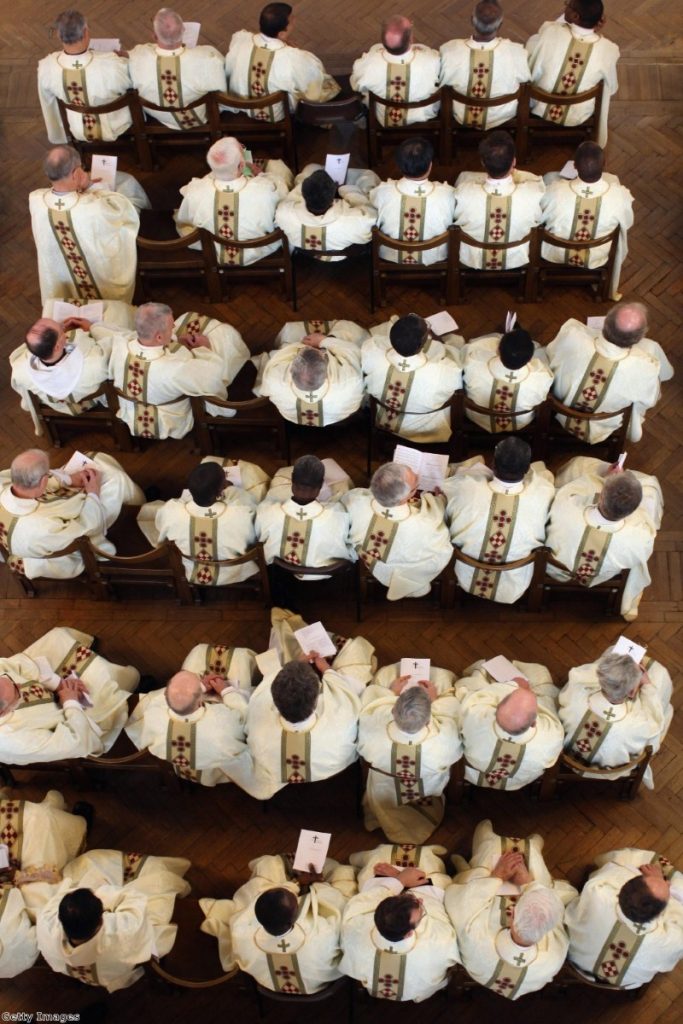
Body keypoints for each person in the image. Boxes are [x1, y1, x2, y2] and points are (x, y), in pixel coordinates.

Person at [226, 609, 375, 800]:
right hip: (332, 767)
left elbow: (268, 681)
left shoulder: (258, 716)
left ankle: (290, 636)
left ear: (275, 702)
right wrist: (325, 668)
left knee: (275, 656)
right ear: (316, 700)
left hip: (281, 769)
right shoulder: (341, 717)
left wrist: (295, 663)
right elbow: (345, 693)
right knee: (356, 653)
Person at [447, 820, 576, 999]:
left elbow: (460, 903)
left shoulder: (475, 938)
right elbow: (557, 916)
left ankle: (483, 846)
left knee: (490, 854)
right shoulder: (554, 957)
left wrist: (497, 876)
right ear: (550, 928)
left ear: (513, 913)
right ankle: (533, 848)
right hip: (523, 978)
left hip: (480, 969)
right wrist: (527, 882)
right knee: (539, 877)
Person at [36, 846, 191, 991]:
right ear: (101, 919)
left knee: (86, 865)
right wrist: (103, 894)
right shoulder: (121, 932)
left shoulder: (46, 922)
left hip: (98, 973)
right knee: (159, 880)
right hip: (118, 958)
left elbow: (63, 895)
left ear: (61, 919)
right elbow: (133, 900)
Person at [200, 852, 356, 992]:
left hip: (269, 984)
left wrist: (296, 883)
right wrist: (317, 885)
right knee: (342, 873)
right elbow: (337, 906)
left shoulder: (241, 931)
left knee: (267, 865)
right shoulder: (323, 934)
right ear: (296, 916)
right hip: (315, 985)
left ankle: (287, 862)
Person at [106, 302, 248, 439]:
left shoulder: (120, 345)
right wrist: (204, 348)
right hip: (168, 421)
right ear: (159, 337)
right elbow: (212, 377)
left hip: (131, 412)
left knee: (187, 319)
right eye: (170, 326)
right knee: (225, 336)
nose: (174, 326)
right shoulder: (176, 369)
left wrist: (176, 340)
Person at [0, 625, 139, 763]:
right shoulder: (11, 741)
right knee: (114, 679)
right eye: (16, 692)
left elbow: (16, 665)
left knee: (58, 637)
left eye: (11, 681)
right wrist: (70, 701)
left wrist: (58, 683)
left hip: (46, 685)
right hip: (69, 719)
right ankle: (126, 682)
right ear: (3, 712)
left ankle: (95, 659)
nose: (19, 685)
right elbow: (74, 742)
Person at [0, 448, 144, 579]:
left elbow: (33, 480)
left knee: (94, 459)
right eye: (47, 472)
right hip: (55, 557)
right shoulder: (43, 527)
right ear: (44, 480)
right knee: (117, 481)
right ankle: (142, 507)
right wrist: (93, 493)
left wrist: (68, 479)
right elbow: (86, 528)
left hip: (16, 543)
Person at [546, 459, 662, 620]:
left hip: (558, 569)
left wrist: (607, 479)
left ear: (600, 497)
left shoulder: (566, 508)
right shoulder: (640, 538)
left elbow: (567, 491)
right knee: (651, 487)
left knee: (578, 466)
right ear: (632, 511)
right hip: (603, 574)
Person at [357, 663, 461, 842]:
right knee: (445, 679)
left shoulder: (373, 726)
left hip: (383, 788)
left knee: (383, 675)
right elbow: (452, 715)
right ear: (429, 719)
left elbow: (369, 706)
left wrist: (389, 694)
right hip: (427, 788)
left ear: (392, 710)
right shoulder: (444, 740)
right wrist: (436, 700)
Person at [443, 438, 554, 603]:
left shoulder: (465, 487)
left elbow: (445, 489)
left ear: (493, 464)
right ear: (526, 469)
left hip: (465, 572)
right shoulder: (544, 493)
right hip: (514, 579)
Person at [126, 644, 257, 784]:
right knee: (239, 659)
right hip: (215, 769)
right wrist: (226, 691)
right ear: (201, 701)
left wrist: (199, 687)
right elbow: (243, 715)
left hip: (179, 765)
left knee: (198, 652)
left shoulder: (154, 713)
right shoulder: (221, 720)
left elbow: (158, 702)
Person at [546, 302, 674, 444]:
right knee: (652, 347)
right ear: (639, 338)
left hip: (560, 408)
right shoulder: (646, 369)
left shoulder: (572, 335)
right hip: (602, 424)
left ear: (605, 322)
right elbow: (650, 400)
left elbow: (550, 353)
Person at [340, 853, 459, 1000]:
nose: (421, 900)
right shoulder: (440, 938)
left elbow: (368, 898)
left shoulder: (356, 925)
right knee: (439, 879)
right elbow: (437, 905)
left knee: (371, 873)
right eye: (421, 910)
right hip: (417, 990)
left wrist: (400, 879)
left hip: (372, 985)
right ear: (409, 934)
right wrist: (403, 878)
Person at [29, 146, 139, 304]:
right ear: (76, 173)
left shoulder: (35, 200)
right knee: (130, 191)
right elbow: (123, 213)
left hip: (60, 278)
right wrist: (89, 185)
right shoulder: (93, 208)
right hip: (101, 281)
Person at [0, 790, 90, 978]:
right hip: (30, 916)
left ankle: (55, 808)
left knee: (34, 819)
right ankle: (73, 822)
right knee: (39, 818)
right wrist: (18, 876)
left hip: (15, 949)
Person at [565, 848, 683, 987]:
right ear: (661, 913)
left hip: (573, 955)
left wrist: (653, 879)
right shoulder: (672, 940)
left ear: (624, 885)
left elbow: (607, 871)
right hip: (622, 982)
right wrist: (663, 883)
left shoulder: (596, 891)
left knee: (626, 858)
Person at [559, 644, 673, 788]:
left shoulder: (576, 696)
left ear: (600, 679)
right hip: (608, 770)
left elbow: (576, 680)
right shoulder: (637, 724)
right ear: (632, 692)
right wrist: (647, 685)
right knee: (662, 690)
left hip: (568, 755)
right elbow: (655, 724)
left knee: (613, 650)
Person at [136, 460, 260, 587]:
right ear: (220, 491)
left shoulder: (171, 511)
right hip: (233, 571)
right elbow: (252, 538)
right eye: (224, 480)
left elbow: (160, 525)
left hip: (190, 568)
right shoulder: (240, 514)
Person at [175, 137, 293, 265]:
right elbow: (283, 196)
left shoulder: (194, 190)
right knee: (279, 168)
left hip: (214, 248)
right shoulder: (265, 189)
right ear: (242, 165)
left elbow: (185, 219)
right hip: (256, 249)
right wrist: (261, 176)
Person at [344, 463, 453, 601]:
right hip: (411, 567)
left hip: (376, 565)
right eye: (415, 488)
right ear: (407, 496)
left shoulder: (355, 501)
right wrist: (439, 500)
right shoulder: (426, 524)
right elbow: (442, 541)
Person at [541, 142, 634, 299]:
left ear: (575, 166)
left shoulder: (554, 190)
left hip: (556, 252)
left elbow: (539, 216)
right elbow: (627, 224)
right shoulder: (620, 196)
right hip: (596, 254)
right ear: (604, 165)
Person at [456, 657, 564, 788]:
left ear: (496, 709)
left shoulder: (476, 717)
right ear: (534, 723)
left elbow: (472, 698)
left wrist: (511, 686)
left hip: (474, 773)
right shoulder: (551, 735)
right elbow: (549, 706)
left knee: (477, 678)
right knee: (540, 674)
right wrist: (528, 691)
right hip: (518, 781)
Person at [225, 2, 340, 123]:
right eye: (292, 21)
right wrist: (297, 50)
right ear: (281, 33)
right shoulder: (293, 57)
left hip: (242, 108)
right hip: (275, 116)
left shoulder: (241, 40)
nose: (295, 21)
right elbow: (315, 81)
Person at [526, 0, 620, 146]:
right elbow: (612, 89)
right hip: (578, 114)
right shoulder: (609, 50)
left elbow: (551, 30)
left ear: (576, 16)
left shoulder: (550, 31)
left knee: (533, 44)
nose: (565, 7)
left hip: (541, 106)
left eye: (568, 5)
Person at [362, 313, 463, 442]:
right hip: (427, 431)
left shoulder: (372, 356)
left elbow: (368, 346)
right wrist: (439, 342)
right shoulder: (442, 372)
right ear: (423, 343)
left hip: (384, 423)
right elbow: (458, 377)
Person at [10, 314, 116, 436]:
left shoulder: (19, 371)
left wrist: (60, 331)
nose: (65, 331)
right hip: (87, 399)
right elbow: (113, 344)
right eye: (62, 330)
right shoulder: (94, 362)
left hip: (56, 404)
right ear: (58, 346)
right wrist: (92, 328)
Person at [38, 9, 132, 144]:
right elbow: (130, 87)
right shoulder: (113, 64)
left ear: (58, 35)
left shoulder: (46, 68)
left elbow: (48, 104)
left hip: (77, 128)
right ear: (85, 32)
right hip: (115, 125)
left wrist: (59, 135)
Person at [453, 130, 544, 269]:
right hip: (517, 256)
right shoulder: (534, 193)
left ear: (482, 163)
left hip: (472, 257)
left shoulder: (463, 192)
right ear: (514, 162)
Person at [256, 455, 355, 576]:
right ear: (321, 485)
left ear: (291, 479)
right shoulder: (339, 516)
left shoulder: (267, 513)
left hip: (283, 576)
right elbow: (350, 548)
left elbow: (258, 538)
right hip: (329, 576)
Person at [128, 7, 226, 129]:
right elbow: (222, 87)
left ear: (154, 36)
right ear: (184, 29)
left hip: (161, 117)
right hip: (201, 115)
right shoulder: (208, 57)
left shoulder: (137, 58)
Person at [440, 1, 530, 130]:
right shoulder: (517, 52)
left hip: (460, 114)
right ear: (500, 25)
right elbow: (526, 81)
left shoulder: (449, 50)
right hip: (502, 116)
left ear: (472, 20)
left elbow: (441, 81)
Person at [254, 322, 365, 426]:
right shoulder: (350, 379)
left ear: (291, 369)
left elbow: (280, 356)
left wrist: (300, 345)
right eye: (321, 353)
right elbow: (353, 353)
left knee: (289, 332)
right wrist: (324, 341)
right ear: (326, 373)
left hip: (293, 418)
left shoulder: (274, 378)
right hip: (336, 418)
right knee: (348, 330)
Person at [369, 138, 457, 266]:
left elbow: (372, 204)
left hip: (390, 254)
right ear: (430, 165)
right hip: (434, 255)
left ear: (398, 166)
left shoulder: (383, 191)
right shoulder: (448, 194)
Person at [351, 16, 441, 127]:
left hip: (383, 116)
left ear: (383, 41)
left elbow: (356, 85)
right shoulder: (431, 59)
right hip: (421, 115)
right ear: (411, 39)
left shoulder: (368, 63)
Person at [461, 325, 553, 432]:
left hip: (478, 417)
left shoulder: (474, 363)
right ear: (530, 359)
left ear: (498, 350)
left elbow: (466, 351)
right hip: (520, 422)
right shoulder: (542, 378)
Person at [275, 166, 378, 256]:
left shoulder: (284, 214)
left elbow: (292, 197)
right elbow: (371, 214)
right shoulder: (353, 220)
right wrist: (346, 191)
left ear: (304, 195)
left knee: (310, 167)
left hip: (305, 252)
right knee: (368, 176)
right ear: (332, 199)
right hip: (342, 254)